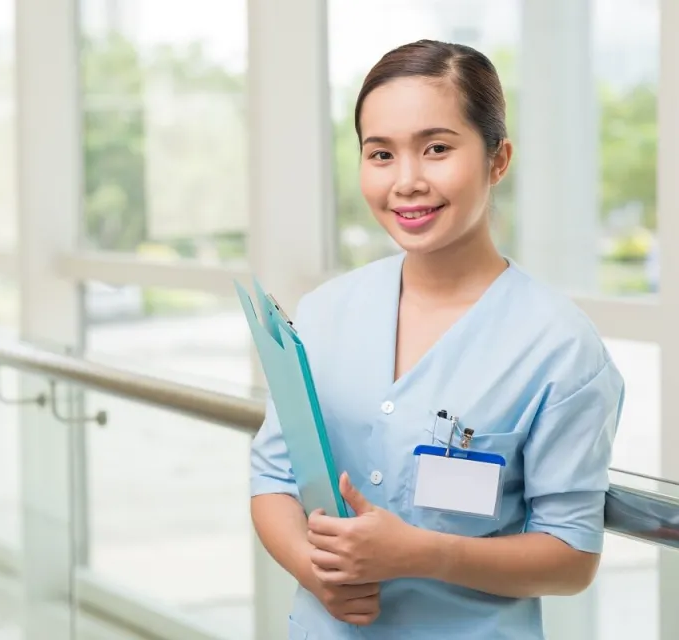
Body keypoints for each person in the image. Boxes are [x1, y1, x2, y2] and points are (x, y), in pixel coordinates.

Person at [249, 39, 625, 639]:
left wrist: (421, 554)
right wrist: (318, 574)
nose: (407, 181)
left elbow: (571, 555)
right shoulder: (325, 314)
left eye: (437, 149)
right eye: (380, 154)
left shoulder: (560, 349)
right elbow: (272, 479)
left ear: (498, 160)